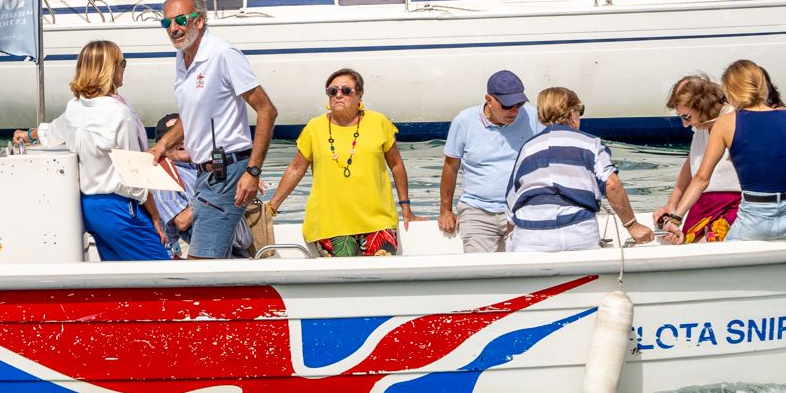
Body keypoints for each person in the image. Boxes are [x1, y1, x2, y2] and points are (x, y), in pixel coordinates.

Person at [146, 0, 277, 258]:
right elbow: (192, 114)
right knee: (216, 259)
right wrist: (162, 144)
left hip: (227, 171)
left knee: (201, 263)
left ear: (200, 21)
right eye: (167, 23)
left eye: (181, 19)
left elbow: (267, 110)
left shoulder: (223, 54)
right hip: (204, 174)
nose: (174, 28)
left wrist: (253, 171)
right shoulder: (182, 58)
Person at [14, 40, 170, 261]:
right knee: (163, 272)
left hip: (91, 209)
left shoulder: (75, 108)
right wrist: (155, 216)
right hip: (121, 210)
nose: (124, 68)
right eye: (122, 62)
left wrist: (27, 135)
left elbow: (51, 133)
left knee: (119, 281)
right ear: (110, 69)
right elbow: (135, 177)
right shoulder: (119, 114)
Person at [674, 59, 786, 242]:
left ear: (729, 91)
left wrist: (676, 216)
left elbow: (701, 178)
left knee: (717, 246)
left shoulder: (725, 124)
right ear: (763, 85)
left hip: (754, 223)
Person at [265, 68, 418, 257]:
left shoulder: (379, 122)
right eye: (332, 91)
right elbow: (296, 168)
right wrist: (271, 207)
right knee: (344, 278)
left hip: (378, 222)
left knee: (379, 277)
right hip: (329, 225)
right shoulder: (315, 127)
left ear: (360, 94)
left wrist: (406, 207)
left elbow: (396, 165)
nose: (338, 95)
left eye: (346, 91)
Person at [505, 87, 655, 251]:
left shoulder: (528, 148)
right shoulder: (591, 144)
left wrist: (512, 240)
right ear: (572, 114)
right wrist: (632, 226)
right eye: (579, 111)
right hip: (577, 230)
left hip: (530, 234)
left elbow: (512, 202)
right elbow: (612, 184)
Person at [438, 69, 538, 253]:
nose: (515, 111)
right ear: (489, 100)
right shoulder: (464, 120)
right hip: (477, 210)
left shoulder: (533, 117)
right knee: (479, 267)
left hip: (523, 208)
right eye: (507, 106)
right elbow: (450, 167)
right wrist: (445, 210)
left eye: (519, 104)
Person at [654, 73, 741, 244]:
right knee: (682, 241)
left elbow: (702, 177)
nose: (685, 125)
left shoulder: (733, 120)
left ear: (703, 106)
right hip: (703, 202)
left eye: (687, 117)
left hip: (736, 201)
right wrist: (672, 205)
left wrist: (676, 217)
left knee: (707, 241)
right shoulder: (702, 125)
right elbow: (691, 163)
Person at [148, 111, 198, 251]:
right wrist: (218, 192)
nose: (181, 141)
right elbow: (181, 221)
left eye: (185, 136)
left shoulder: (198, 168)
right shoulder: (165, 177)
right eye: (173, 139)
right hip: (191, 253)